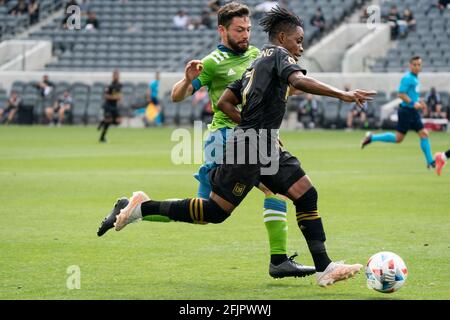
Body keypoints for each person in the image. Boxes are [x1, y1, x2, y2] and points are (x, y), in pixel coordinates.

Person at [103, 6, 376, 287]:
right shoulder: (275, 55)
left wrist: (256, 122)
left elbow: (225, 101)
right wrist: (342, 94)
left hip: (260, 143)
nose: (302, 48)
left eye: (248, 29)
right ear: (282, 38)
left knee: (305, 193)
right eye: (298, 41)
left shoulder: (256, 62)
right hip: (243, 146)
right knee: (214, 212)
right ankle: (142, 209)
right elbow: (297, 80)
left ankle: (322, 267)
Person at [361, 56, 436, 169]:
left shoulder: (415, 78)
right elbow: (401, 94)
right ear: (410, 65)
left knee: (423, 134)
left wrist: (420, 101)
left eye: (419, 65)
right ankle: (372, 138)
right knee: (399, 138)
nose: (417, 67)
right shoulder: (407, 78)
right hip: (406, 111)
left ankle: (430, 162)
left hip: (412, 112)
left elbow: (412, 94)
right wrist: (413, 104)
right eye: (414, 64)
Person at [98, 70, 122, 143]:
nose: (117, 76)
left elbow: (119, 95)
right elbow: (105, 96)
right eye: (115, 75)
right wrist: (114, 97)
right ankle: (102, 138)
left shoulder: (119, 85)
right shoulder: (110, 85)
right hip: (108, 105)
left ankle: (103, 122)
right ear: (113, 76)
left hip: (114, 106)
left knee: (118, 121)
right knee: (109, 120)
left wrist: (119, 97)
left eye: (118, 75)